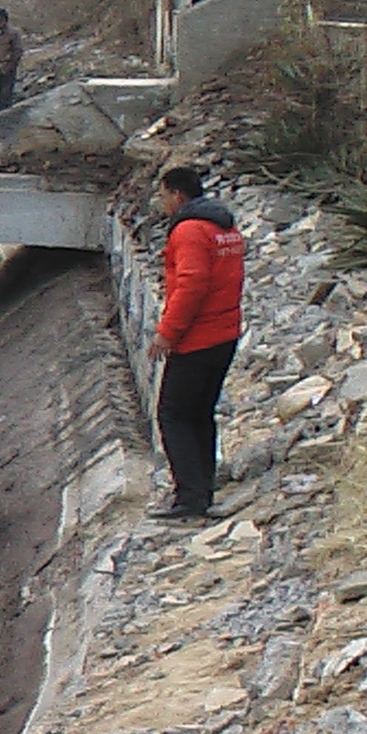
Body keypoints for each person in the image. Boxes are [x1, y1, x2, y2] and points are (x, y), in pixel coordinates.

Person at [148, 166, 245, 520]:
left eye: (162, 195)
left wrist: (167, 332)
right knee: (200, 413)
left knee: (172, 414)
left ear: (177, 195)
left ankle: (190, 497)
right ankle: (202, 487)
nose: (161, 204)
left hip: (198, 338)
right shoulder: (225, 227)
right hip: (225, 333)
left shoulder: (189, 231)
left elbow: (192, 284)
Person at [0, 8, 24, 112]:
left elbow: (17, 51)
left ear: (5, 20)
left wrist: (10, 65)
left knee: (5, 97)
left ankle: (4, 120)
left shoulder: (14, 33)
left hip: (7, 69)